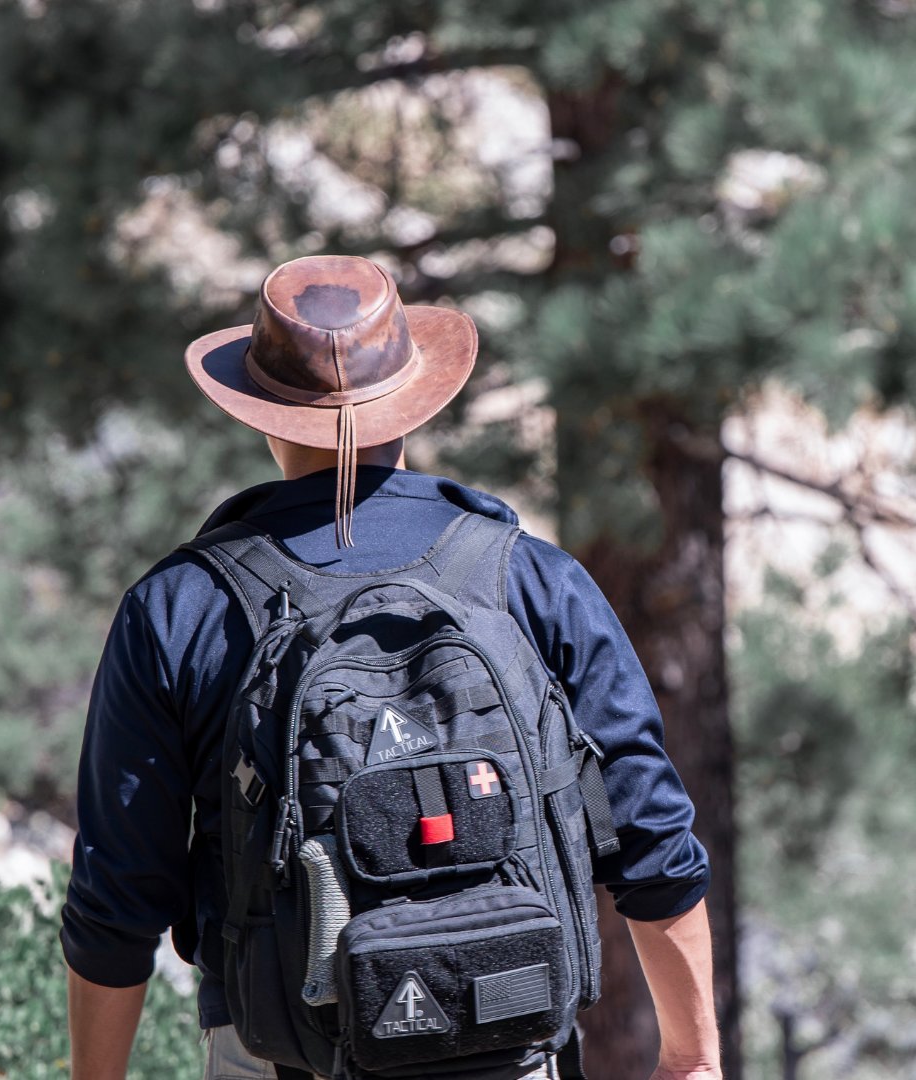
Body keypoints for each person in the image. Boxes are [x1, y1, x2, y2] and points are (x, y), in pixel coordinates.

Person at [61, 254, 723, 1080]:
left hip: (280, 1053)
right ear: (417, 399)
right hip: (510, 1041)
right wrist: (693, 1057)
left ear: (264, 415)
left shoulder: (178, 608)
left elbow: (117, 900)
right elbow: (651, 835)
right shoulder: (531, 577)